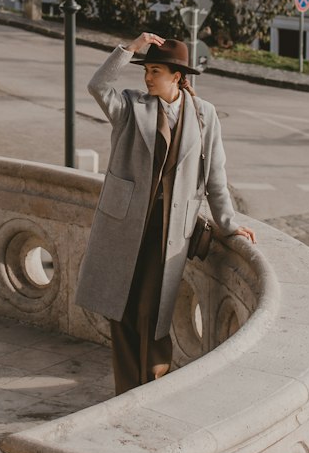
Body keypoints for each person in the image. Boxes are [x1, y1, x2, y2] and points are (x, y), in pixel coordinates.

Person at [75, 31, 255, 395]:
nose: (147, 77)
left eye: (155, 71)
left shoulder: (205, 116)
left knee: (154, 313)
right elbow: (97, 85)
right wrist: (131, 49)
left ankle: (152, 385)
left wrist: (229, 224)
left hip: (171, 232)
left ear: (177, 76)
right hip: (126, 226)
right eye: (147, 69)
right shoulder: (131, 107)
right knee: (121, 308)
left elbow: (216, 176)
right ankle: (127, 390)